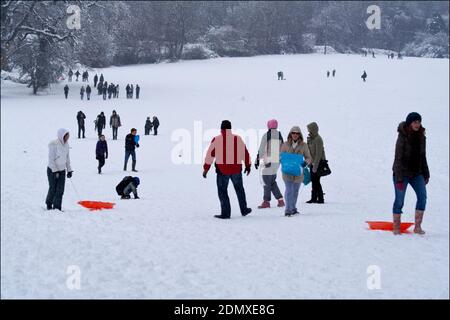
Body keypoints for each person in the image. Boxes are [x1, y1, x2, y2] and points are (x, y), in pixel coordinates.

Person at [203, 120, 252, 219]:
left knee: (222, 191)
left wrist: (206, 169)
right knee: (240, 190)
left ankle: (225, 213)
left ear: (221, 129)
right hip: (236, 169)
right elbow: (245, 153)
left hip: (222, 170)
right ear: (230, 128)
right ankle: (244, 209)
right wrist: (248, 165)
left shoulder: (216, 140)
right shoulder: (238, 139)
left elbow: (210, 155)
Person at [392, 112, 429, 235]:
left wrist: (426, 173)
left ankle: (418, 227)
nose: (417, 124)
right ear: (410, 123)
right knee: (399, 200)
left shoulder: (421, 138)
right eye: (415, 122)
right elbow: (398, 158)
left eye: (419, 122)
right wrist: (399, 179)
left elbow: (423, 157)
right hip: (402, 174)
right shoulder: (402, 137)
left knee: (422, 197)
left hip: (416, 173)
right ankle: (396, 228)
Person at [280, 126, 312, 216]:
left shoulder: (304, 145)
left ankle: (293, 208)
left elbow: (308, 157)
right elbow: (280, 156)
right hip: (287, 172)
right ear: (290, 134)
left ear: (299, 134)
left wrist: (305, 163)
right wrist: (282, 161)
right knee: (289, 190)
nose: (295, 135)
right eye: (293, 133)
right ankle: (287, 210)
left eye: (297, 133)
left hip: (298, 172)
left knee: (295, 191)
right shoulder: (285, 144)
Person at [255, 119, 285, 209]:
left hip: (268, 162)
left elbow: (261, 148)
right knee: (272, 182)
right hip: (276, 162)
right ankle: (280, 200)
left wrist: (257, 159)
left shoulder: (267, 135)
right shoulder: (279, 135)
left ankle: (266, 201)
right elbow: (283, 148)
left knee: (266, 182)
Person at [46, 128, 73, 211]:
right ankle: (49, 203)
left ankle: (57, 207)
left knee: (60, 190)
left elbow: (67, 158)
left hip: (62, 170)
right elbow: (51, 159)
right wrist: (55, 171)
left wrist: (69, 170)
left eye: (68, 136)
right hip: (52, 170)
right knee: (53, 188)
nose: (67, 137)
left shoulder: (66, 145)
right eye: (66, 136)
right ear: (62, 135)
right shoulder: (53, 144)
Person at [306, 122, 326, 204]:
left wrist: (315, 166)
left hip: (318, 163)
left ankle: (320, 198)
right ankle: (313, 198)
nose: (308, 131)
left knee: (316, 181)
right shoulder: (311, 138)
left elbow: (319, 154)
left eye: (310, 129)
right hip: (312, 163)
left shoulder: (318, 139)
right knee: (314, 181)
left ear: (314, 129)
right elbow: (309, 151)